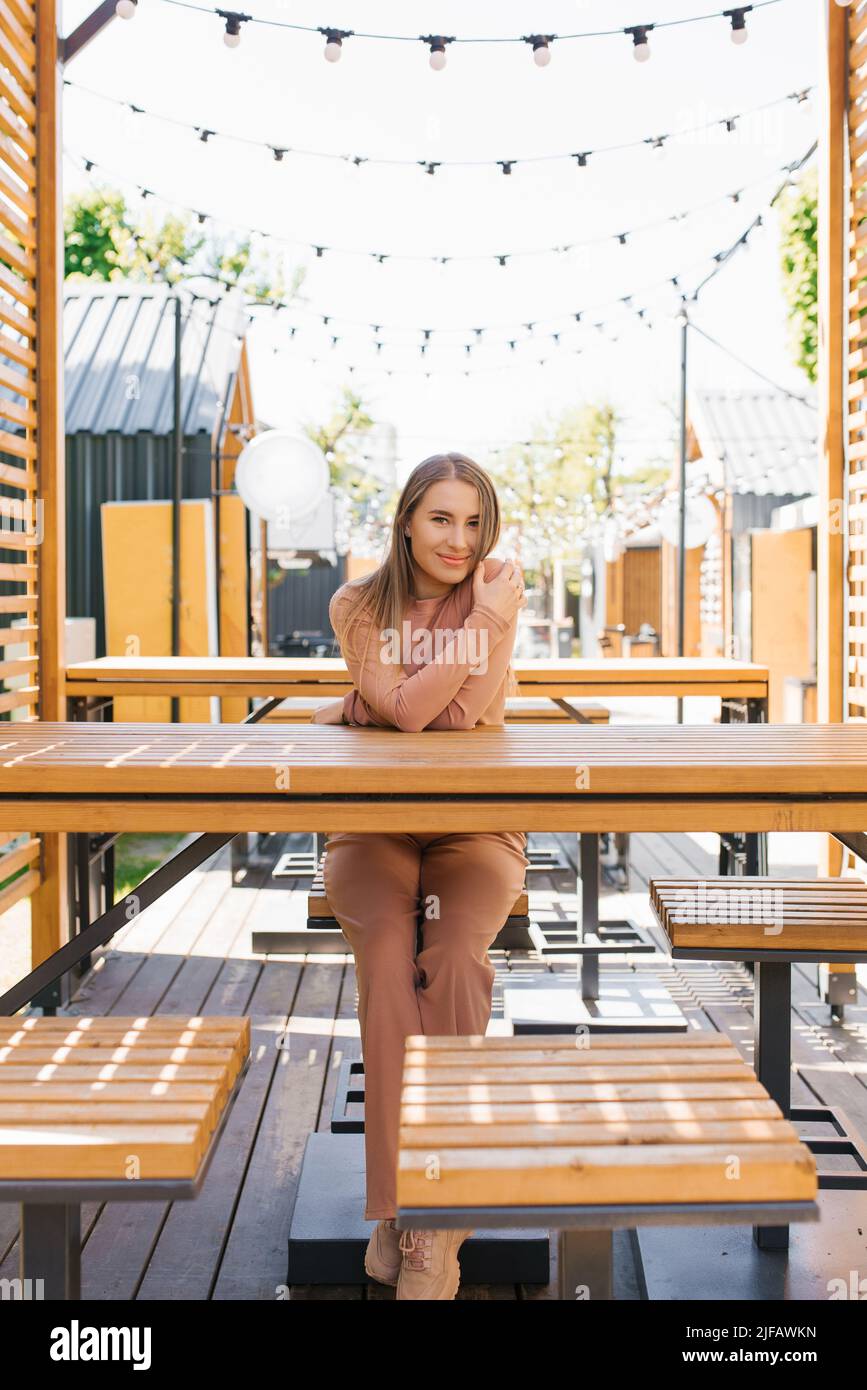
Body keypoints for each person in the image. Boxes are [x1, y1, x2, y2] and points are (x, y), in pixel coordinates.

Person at [311, 451, 528, 1299]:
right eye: (441, 518)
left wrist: (366, 703)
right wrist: (463, 641)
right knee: (388, 972)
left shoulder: (498, 590)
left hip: (474, 824)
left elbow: (457, 713)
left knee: (454, 964)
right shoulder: (357, 604)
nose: (459, 540)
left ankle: (427, 1221)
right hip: (373, 824)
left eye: (474, 523)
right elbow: (412, 717)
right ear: (405, 520)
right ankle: (404, 1208)